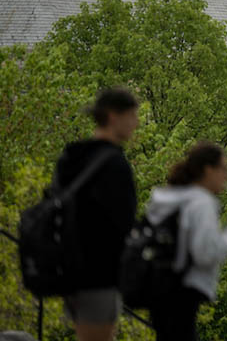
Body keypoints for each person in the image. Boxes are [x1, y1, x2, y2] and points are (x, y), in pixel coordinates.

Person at [143, 142, 227, 341]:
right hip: (184, 290)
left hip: (157, 285)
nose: (226, 176)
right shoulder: (201, 203)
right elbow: (207, 254)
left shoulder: (167, 198)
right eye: (224, 169)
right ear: (208, 170)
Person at [55, 87, 140, 341]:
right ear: (113, 117)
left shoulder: (72, 155)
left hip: (68, 267)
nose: (135, 124)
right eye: (132, 116)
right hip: (99, 272)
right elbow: (123, 223)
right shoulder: (114, 164)